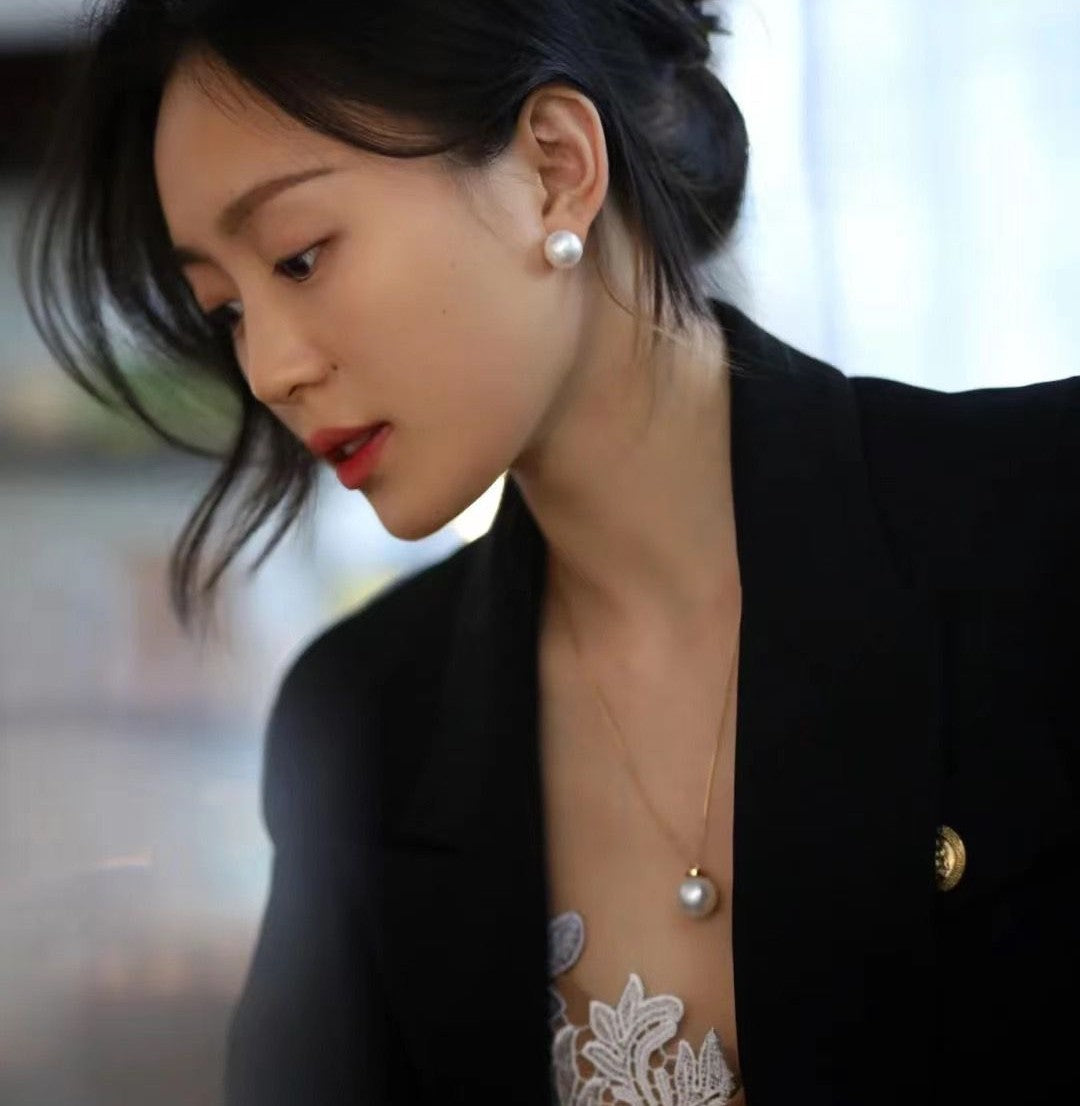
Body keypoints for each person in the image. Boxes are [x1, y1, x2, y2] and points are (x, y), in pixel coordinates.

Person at [17, 1, 1079, 1103]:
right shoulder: (367, 719)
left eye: (299, 256)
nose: (270, 367)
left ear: (555, 170)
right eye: (225, 309)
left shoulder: (1041, 520)